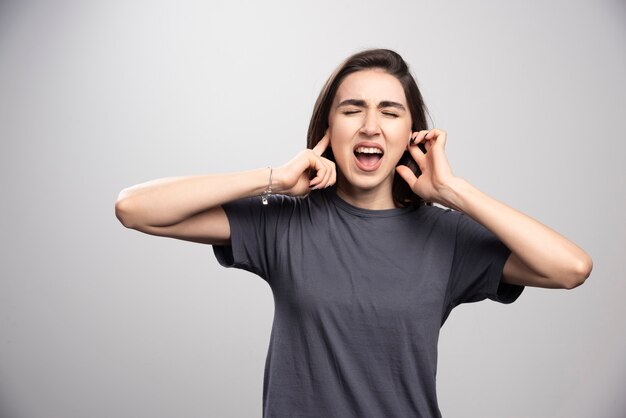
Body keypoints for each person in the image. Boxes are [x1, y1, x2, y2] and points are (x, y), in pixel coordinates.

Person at [115, 48, 593, 417]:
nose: (370, 126)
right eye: (352, 109)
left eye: (389, 111)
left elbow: (571, 268)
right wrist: (275, 178)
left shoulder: (448, 238)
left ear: (412, 133)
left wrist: (455, 191)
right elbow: (135, 208)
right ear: (329, 127)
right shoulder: (283, 220)